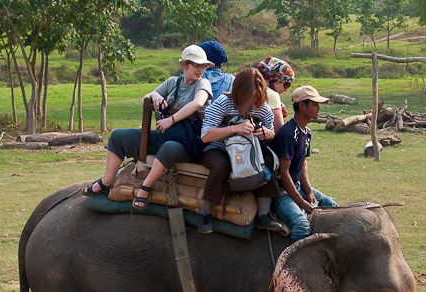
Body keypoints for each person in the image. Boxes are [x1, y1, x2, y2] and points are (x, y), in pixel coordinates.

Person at [82, 45, 213, 209]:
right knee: (118, 135)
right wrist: (154, 94)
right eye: (196, 65)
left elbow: (197, 103)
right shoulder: (173, 82)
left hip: (187, 144)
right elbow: (145, 98)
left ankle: (145, 187)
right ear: (184, 64)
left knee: (169, 148)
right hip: (165, 135)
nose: (201, 69)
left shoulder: (203, 84)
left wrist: (171, 120)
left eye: (204, 66)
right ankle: (106, 181)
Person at [198, 67, 283, 234]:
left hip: (250, 151)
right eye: (249, 97)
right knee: (221, 165)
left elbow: (270, 131)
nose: (252, 101)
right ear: (239, 92)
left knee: (270, 161)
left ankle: (264, 215)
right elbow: (206, 135)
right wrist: (235, 128)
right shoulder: (223, 102)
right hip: (219, 147)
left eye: (256, 97)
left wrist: (269, 134)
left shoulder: (263, 108)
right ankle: (205, 212)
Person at [270, 85, 338, 241]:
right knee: (301, 225)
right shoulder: (288, 134)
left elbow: (302, 166)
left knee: (333, 207)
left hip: (297, 187)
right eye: (315, 104)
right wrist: (300, 201)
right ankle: (293, 264)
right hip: (281, 193)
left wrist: (308, 192)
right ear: (302, 105)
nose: (319, 108)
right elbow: (283, 172)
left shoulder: (306, 132)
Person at [257, 56, 295, 132]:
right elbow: (279, 132)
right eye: (286, 84)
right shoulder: (272, 95)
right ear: (275, 78)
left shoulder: (248, 88)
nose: (286, 90)